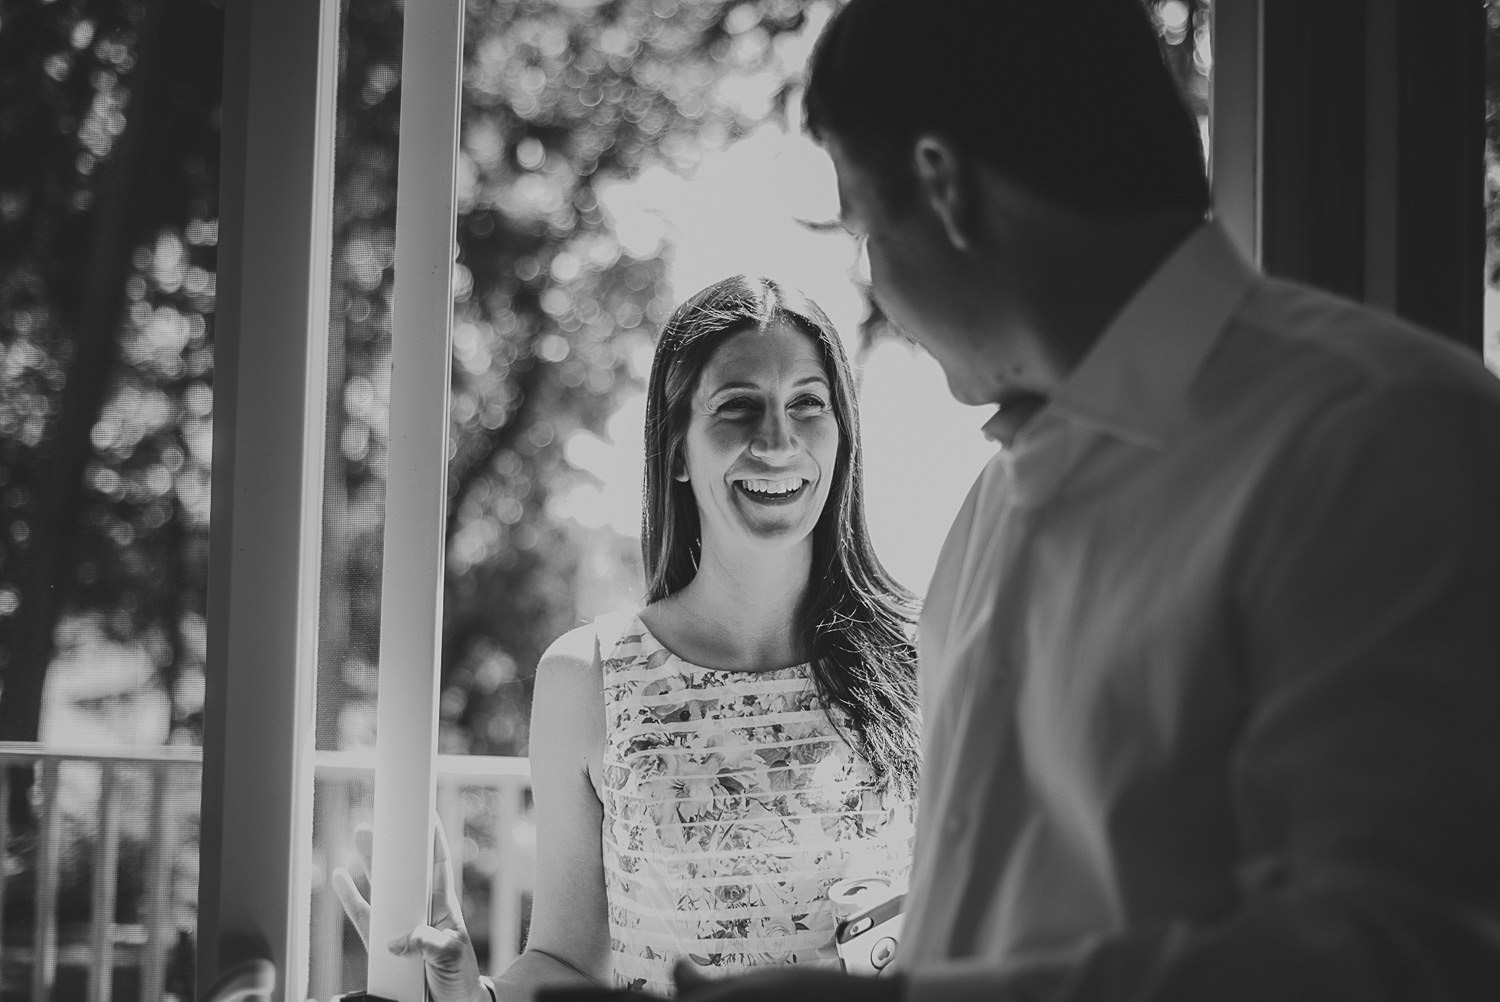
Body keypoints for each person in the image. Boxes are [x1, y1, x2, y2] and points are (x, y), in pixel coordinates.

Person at [589, 1, 1500, 1001]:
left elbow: (1405, 959)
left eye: (864, 233)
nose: (875, 289)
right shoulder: (992, 512)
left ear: (946, 190)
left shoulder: (1379, 436)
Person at [336, 275, 920, 1001]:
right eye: (738, 408)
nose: (778, 439)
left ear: (842, 435)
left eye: (808, 403)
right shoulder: (587, 676)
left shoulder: (923, 661)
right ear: (676, 451)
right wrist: (470, 995)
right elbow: (567, 960)